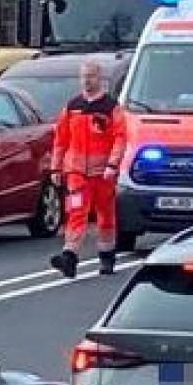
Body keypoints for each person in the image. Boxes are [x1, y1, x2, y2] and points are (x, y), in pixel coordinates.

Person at [49, 59, 126, 279]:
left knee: (105, 216)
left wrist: (113, 164)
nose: (86, 80)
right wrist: (56, 168)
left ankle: (107, 257)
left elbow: (120, 138)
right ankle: (69, 256)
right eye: (83, 76)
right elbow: (61, 139)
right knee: (76, 211)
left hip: (103, 174)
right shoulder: (73, 107)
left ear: (99, 78)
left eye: (90, 76)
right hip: (76, 173)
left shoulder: (111, 108)